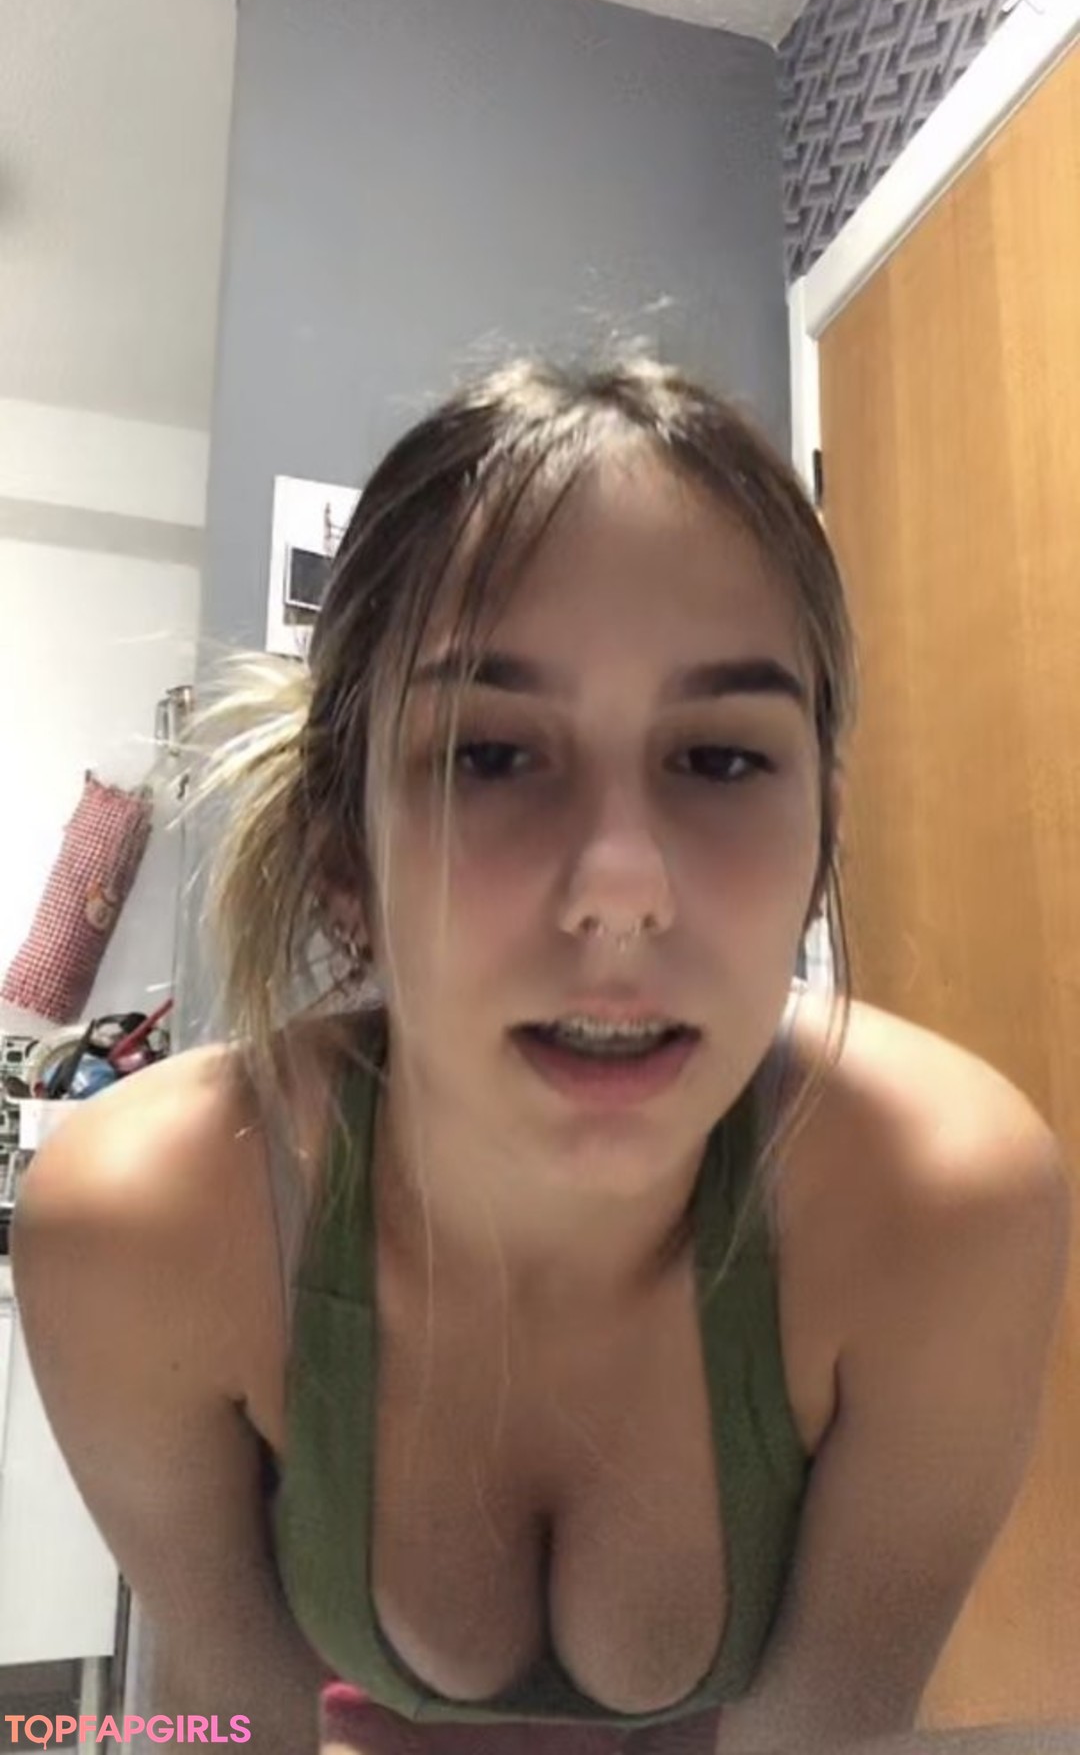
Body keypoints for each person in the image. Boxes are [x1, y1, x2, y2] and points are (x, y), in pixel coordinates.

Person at [12, 358, 1069, 1755]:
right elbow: (215, 1715)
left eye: (722, 760)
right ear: (344, 857)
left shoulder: (945, 1205)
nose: (623, 887)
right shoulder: (142, 1225)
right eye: (493, 755)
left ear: (821, 841)